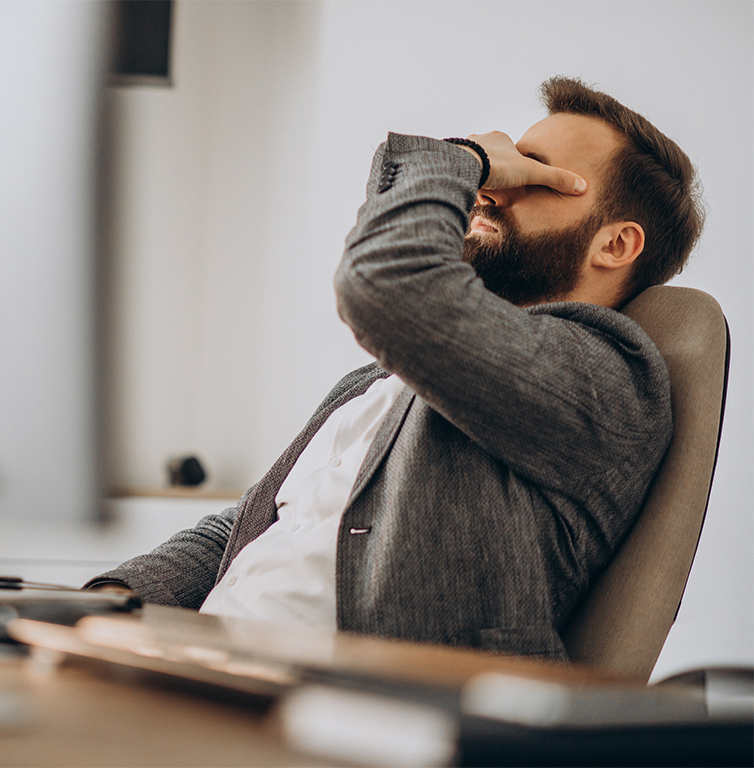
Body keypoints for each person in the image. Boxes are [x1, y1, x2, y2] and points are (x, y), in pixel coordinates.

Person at [86, 76, 705, 661]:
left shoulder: (609, 379)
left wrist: (460, 158)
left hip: (364, 713)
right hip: (207, 671)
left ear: (616, 244)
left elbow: (385, 285)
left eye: (537, 176)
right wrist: (99, 604)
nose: (491, 187)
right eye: (510, 162)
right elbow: (252, 527)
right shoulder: (379, 384)